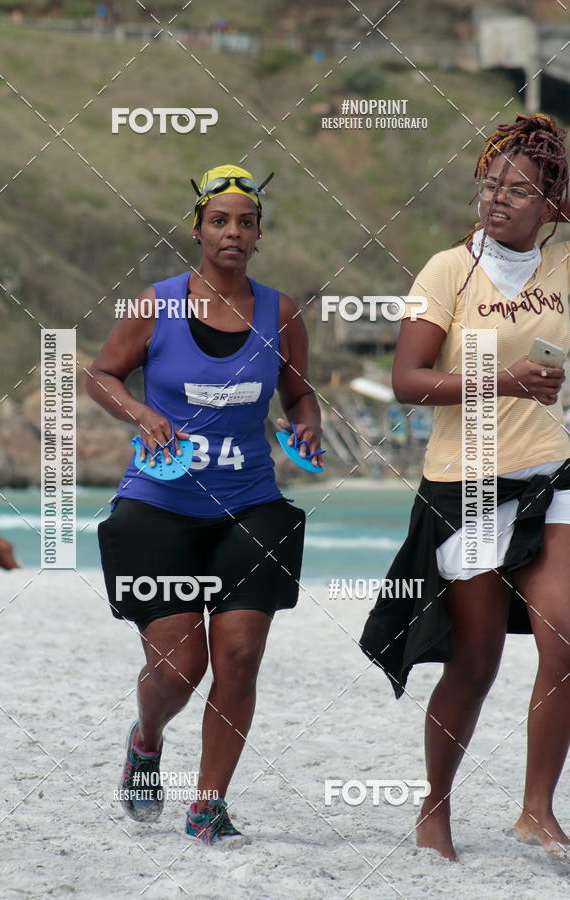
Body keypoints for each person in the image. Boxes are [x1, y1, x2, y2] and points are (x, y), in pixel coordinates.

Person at [88, 164, 322, 842]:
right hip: (158, 506)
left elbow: (299, 392)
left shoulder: (279, 312)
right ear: (197, 230)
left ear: (257, 235)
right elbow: (102, 373)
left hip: (250, 506)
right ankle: (146, 737)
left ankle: (208, 802)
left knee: (241, 654)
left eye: (245, 222)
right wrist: (140, 412)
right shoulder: (155, 305)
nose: (232, 232)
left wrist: (306, 420)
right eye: (219, 220)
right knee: (178, 668)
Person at [360, 113, 570, 862]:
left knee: (567, 633)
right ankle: (434, 808)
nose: (498, 199)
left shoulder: (566, 269)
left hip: (550, 476)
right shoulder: (449, 269)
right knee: (474, 661)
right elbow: (407, 382)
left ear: (552, 204)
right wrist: (505, 379)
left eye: (519, 190)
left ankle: (536, 810)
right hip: (468, 485)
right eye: (490, 185)